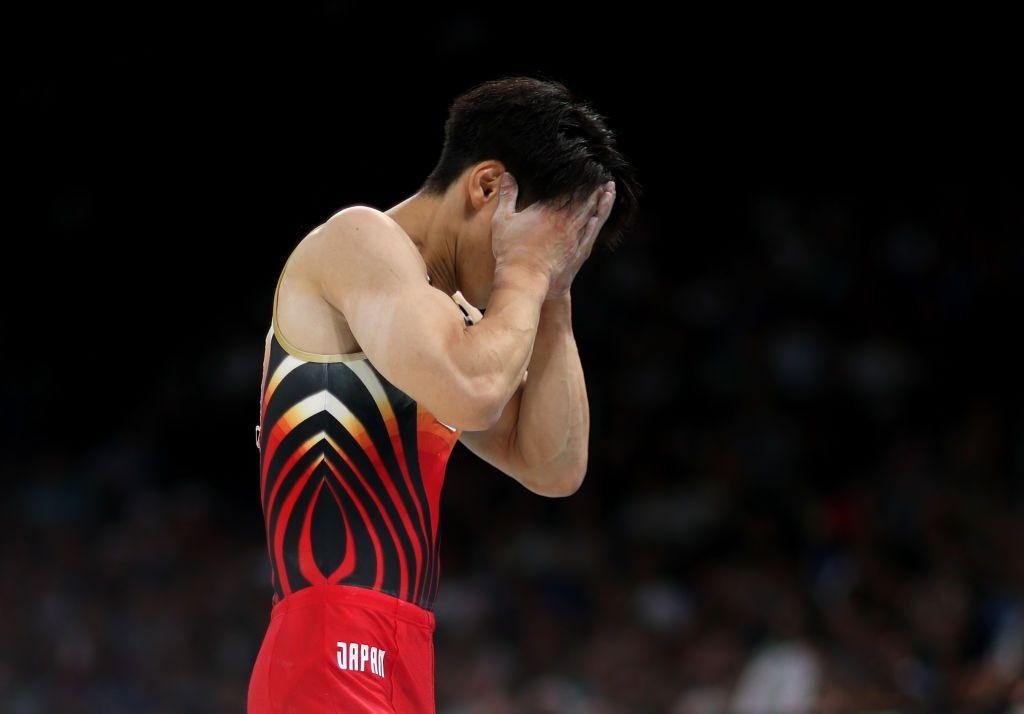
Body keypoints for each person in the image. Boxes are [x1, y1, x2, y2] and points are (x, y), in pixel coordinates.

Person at [248, 76, 638, 713]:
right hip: (330, 636)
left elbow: (554, 466)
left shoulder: (438, 326)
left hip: (401, 644)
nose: (536, 263)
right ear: (487, 186)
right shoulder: (358, 241)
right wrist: (529, 270)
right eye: (539, 236)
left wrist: (556, 294)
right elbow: (475, 391)